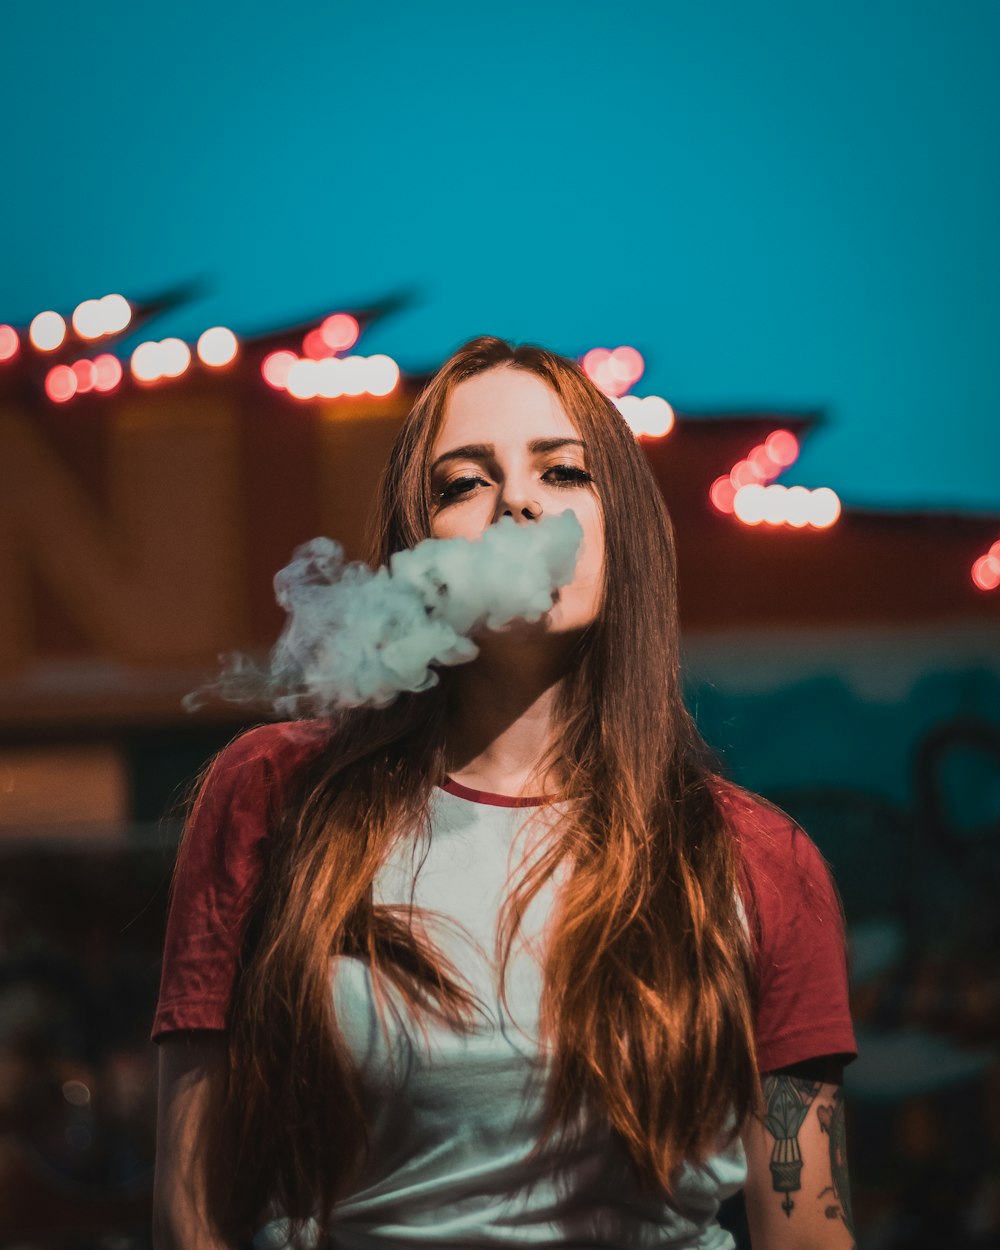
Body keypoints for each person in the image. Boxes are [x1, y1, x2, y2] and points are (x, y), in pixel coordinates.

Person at [152, 335, 859, 1249]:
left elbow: (807, 1231)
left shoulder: (758, 860)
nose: (518, 501)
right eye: (463, 483)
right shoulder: (277, 794)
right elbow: (191, 1211)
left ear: (625, 530)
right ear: (418, 545)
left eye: (564, 472)